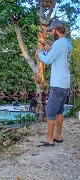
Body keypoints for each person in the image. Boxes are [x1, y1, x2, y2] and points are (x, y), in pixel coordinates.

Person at [35, 19, 73, 147]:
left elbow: (48, 60)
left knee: (51, 111)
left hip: (57, 84)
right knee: (60, 111)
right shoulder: (68, 44)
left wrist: (39, 53)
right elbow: (58, 57)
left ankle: (50, 139)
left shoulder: (59, 44)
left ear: (57, 29)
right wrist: (50, 49)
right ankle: (58, 135)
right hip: (65, 83)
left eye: (52, 30)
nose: (51, 33)